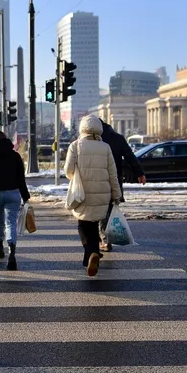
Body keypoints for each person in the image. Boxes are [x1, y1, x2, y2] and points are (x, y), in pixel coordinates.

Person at [64, 115, 121, 277]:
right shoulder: (106, 147)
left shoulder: (75, 146)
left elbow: (68, 171)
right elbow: (113, 174)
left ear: (82, 129)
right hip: (103, 193)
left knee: (83, 225)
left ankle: (91, 252)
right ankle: (90, 257)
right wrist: (116, 194)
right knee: (94, 224)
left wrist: (75, 176)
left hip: (82, 192)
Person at [0, 131, 30, 270]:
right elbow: (21, 179)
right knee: (10, 223)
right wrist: (25, 196)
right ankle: (12, 253)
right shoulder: (15, 156)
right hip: (13, 193)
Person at [98, 119, 146, 252]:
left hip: (97, 179)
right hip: (115, 179)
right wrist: (139, 173)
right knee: (108, 208)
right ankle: (105, 238)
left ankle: (103, 239)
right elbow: (130, 156)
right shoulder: (118, 138)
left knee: (98, 209)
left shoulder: (93, 139)